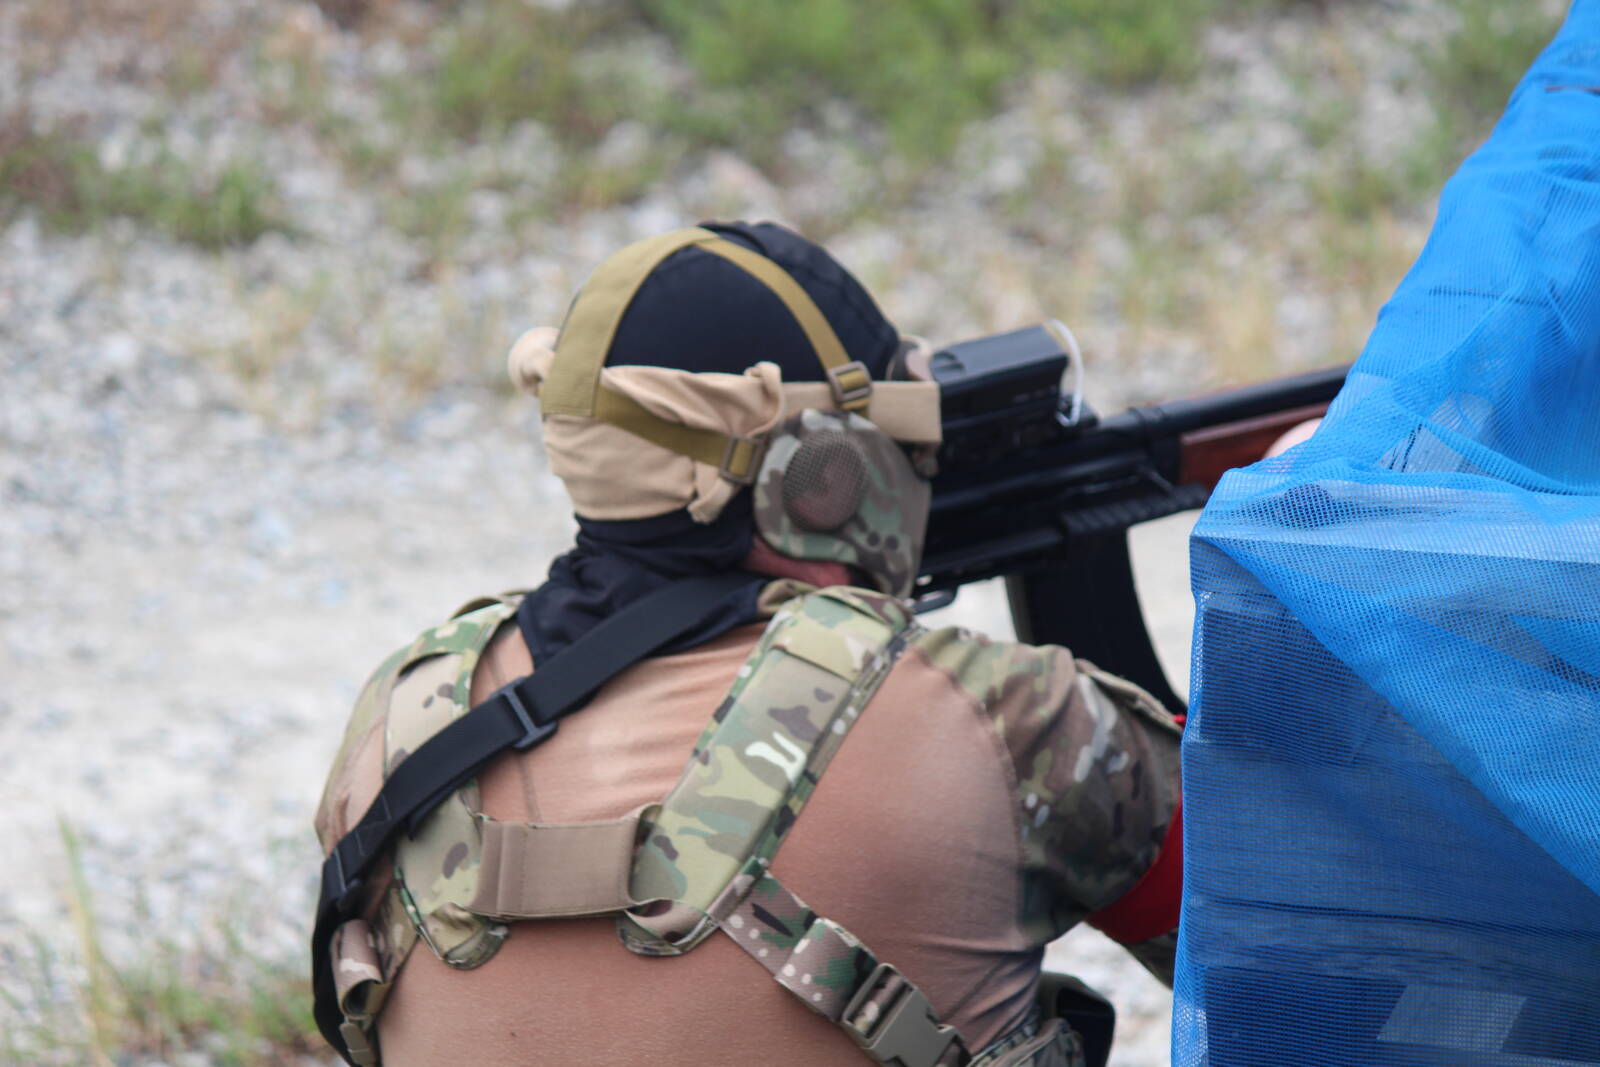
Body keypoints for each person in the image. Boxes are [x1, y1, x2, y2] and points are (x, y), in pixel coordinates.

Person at [313, 222, 1184, 1067]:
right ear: (826, 476)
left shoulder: (404, 713)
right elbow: (1254, 946)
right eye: (903, 450)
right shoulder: (998, 713)